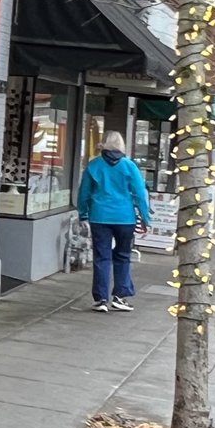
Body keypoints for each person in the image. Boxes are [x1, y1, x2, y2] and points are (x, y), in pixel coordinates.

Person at [76, 130, 151, 313]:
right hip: (125, 218)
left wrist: (83, 214)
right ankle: (120, 296)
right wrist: (146, 218)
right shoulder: (130, 166)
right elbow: (141, 194)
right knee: (123, 256)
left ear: (104, 144)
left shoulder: (94, 166)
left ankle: (101, 299)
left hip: (99, 216)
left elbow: (84, 193)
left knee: (102, 257)